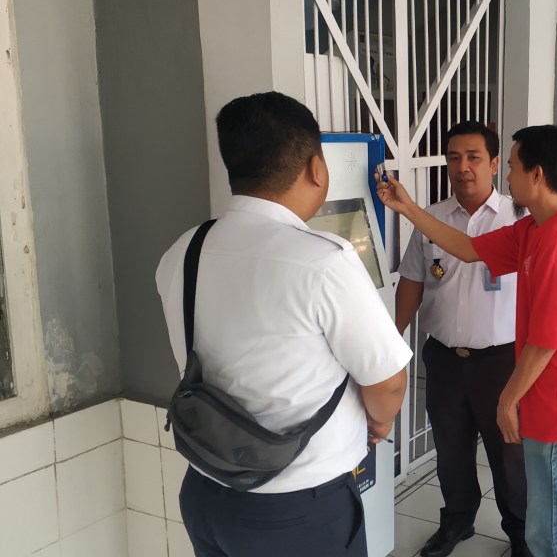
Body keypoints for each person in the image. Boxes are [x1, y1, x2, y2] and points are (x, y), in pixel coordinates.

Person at [155, 92, 410, 557]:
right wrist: (378, 422)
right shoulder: (324, 261)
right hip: (298, 511)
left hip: (206, 494)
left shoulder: (183, 250)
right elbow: (388, 382)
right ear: (316, 168)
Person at [376, 125, 557, 557]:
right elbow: (468, 248)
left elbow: (546, 340)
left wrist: (506, 400)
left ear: (536, 174)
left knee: (551, 527)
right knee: (551, 518)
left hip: (556, 399)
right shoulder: (536, 229)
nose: (509, 177)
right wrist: (407, 207)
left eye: (513, 167)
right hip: (537, 389)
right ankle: (464, 521)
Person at [394, 121, 529, 557]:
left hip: (501, 362)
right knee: (450, 449)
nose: (463, 167)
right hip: (445, 359)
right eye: (454, 158)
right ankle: (457, 520)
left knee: (509, 454)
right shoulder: (431, 218)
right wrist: (391, 341)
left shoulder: (519, 219)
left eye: (473, 157)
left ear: (494, 163)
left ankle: (520, 531)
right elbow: (412, 282)